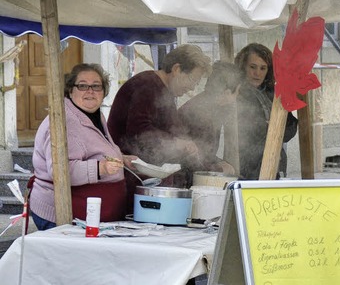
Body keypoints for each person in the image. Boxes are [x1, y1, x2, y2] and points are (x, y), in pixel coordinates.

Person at [31, 63, 138, 230]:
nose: (90, 91)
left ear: (104, 92)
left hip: (92, 216)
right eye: (82, 86)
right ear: (70, 90)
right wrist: (100, 168)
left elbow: (92, 149)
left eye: (96, 86)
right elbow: (60, 171)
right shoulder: (63, 122)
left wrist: (121, 159)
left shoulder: (94, 114)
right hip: (63, 217)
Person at [108, 44, 211, 196]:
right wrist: (176, 142)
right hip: (129, 177)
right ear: (177, 69)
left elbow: (173, 130)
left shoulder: (165, 92)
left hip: (146, 179)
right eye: (192, 80)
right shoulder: (147, 85)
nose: (191, 88)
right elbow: (139, 130)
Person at [234, 43, 298, 179]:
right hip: (248, 166)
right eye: (253, 67)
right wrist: (268, 127)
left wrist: (278, 128)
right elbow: (244, 129)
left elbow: (291, 127)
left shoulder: (273, 93)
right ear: (243, 67)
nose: (257, 73)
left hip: (276, 162)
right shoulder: (236, 92)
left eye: (263, 68)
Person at [178, 61, 242, 175]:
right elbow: (193, 162)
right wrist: (220, 169)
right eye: (237, 92)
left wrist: (219, 162)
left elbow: (206, 154)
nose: (237, 96)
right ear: (227, 93)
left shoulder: (211, 107)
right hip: (186, 177)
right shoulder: (201, 114)